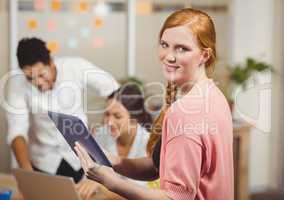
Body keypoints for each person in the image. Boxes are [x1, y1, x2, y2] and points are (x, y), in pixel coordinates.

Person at [74, 8, 234, 200]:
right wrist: (116, 161)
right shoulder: (213, 94)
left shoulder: (185, 113)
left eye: (182, 48)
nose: (169, 56)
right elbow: (157, 167)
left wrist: (112, 183)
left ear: (204, 55)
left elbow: (175, 198)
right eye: (165, 45)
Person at [5, 37, 119, 184]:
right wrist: (27, 174)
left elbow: (113, 89)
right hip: (43, 162)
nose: (37, 82)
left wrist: (105, 125)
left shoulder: (75, 66)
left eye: (41, 75)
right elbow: (17, 130)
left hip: (81, 160)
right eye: (29, 78)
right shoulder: (17, 83)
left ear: (51, 63)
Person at [76, 83, 153, 199]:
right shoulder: (102, 134)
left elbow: (139, 194)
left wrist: (101, 186)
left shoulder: (148, 144)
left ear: (134, 119)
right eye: (107, 114)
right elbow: (87, 177)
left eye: (117, 116)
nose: (109, 122)